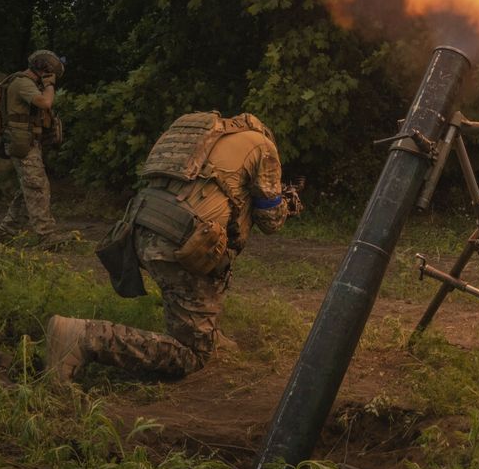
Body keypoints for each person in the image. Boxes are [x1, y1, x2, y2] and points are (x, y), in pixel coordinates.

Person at [46, 111, 300, 382]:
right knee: (192, 355)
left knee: (199, 275)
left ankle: (204, 330)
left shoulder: (204, 135)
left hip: (140, 228)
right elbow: (271, 222)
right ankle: (84, 338)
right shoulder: (263, 147)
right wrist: (285, 204)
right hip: (180, 243)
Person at [0, 50, 68, 248]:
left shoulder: (28, 83)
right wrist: (49, 85)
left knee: (29, 189)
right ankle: (46, 236)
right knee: (37, 188)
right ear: (44, 69)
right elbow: (45, 102)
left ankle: (5, 233)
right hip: (22, 144)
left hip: (27, 142)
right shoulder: (23, 83)